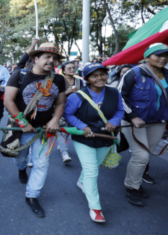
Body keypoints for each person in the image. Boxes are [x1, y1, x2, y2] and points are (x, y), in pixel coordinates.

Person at [4, 42, 66, 218]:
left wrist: (55, 120)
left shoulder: (59, 79)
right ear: (36, 58)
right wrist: (23, 123)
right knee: (20, 158)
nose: (51, 61)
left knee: (41, 164)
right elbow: (8, 101)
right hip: (21, 128)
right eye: (47, 56)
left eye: (54, 58)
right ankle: (22, 169)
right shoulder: (20, 75)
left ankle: (32, 196)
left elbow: (60, 102)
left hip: (45, 131)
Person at [118, 43, 168, 207]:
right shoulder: (134, 73)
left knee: (147, 155)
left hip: (158, 121)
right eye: (158, 55)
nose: (163, 58)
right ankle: (132, 187)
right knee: (141, 156)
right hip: (134, 122)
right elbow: (119, 97)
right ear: (146, 57)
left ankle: (135, 182)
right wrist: (133, 116)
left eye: (166, 55)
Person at [64, 63, 124, 223]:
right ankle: (96, 208)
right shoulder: (76, 96)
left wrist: (114, 121)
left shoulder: (114, 92)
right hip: (84, 138)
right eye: (94, 75)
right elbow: (68, 114)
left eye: (102, 74)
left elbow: (120, 110)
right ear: (87, 79)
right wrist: (83, 126)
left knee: (94, 166)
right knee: (92, 171)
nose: (100, 78)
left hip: (106, 137)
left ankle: (81, 181)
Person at [57, 61, 85, 163]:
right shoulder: (59, 80)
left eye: (74, 68)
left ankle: (61, 145)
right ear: (63, 71)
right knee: (63, 130)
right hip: (61, 109)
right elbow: (54, 96)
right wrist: (67, 92)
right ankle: (64, 153)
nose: (72, 70)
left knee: (71, 130)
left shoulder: (79, 81)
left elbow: (84, 94)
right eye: (69, 68)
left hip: (76, 110)